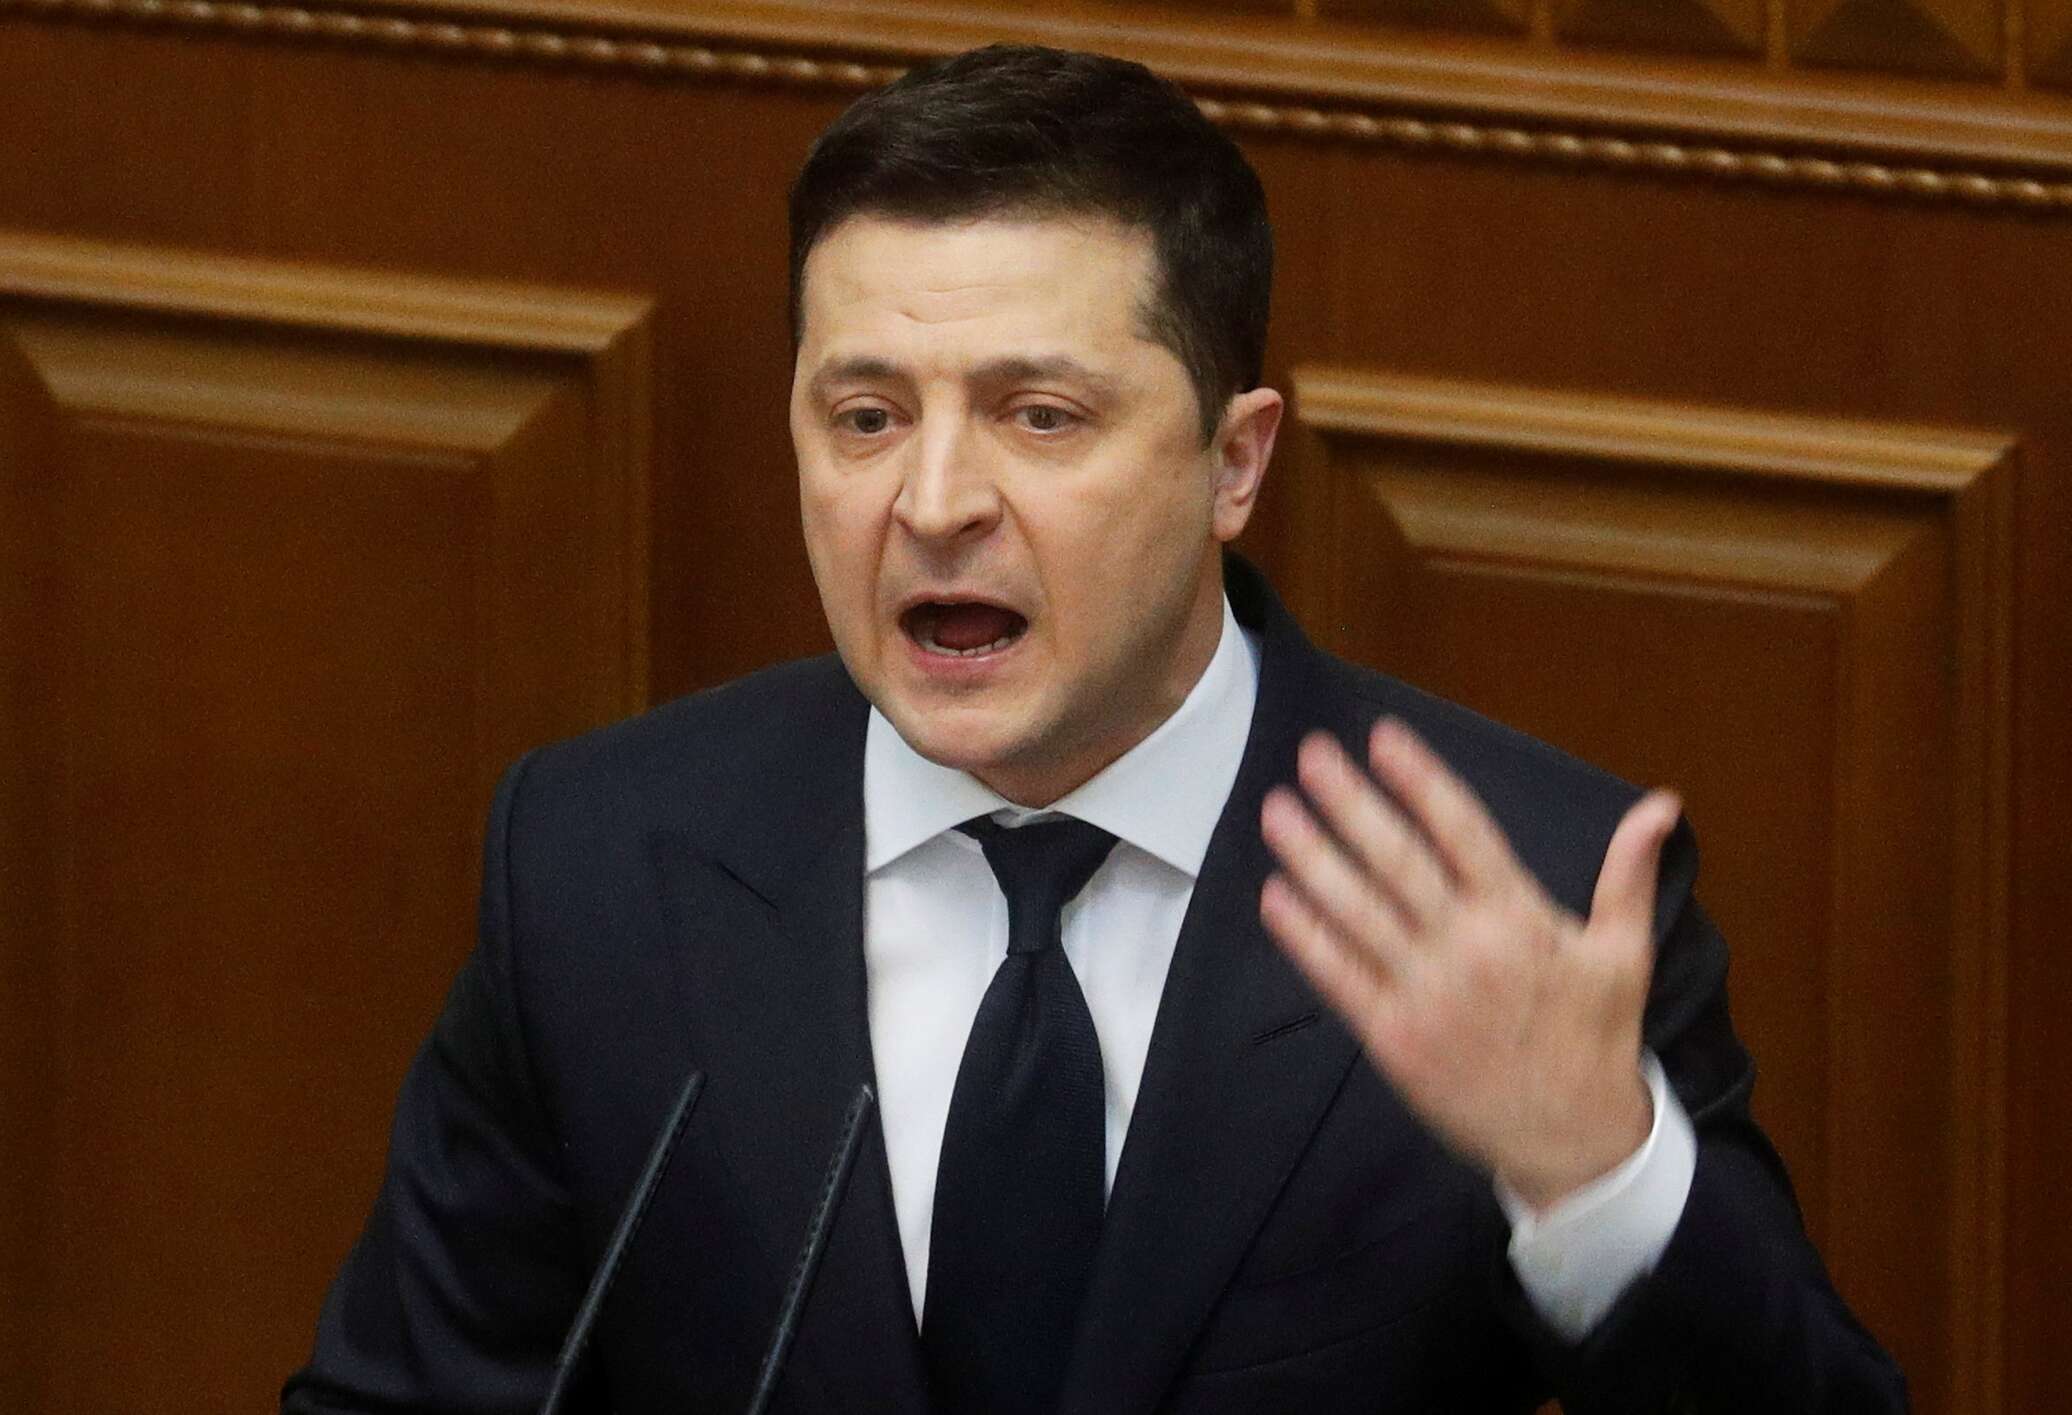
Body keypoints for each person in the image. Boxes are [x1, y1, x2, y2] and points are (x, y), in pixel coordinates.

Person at [284, 43, 1905, 1414]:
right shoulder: (602, 866)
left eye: (1039, 416)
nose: (931, 502)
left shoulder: (1529, 900)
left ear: (1234, 463)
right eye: (865, 417)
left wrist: (1598, 1179)